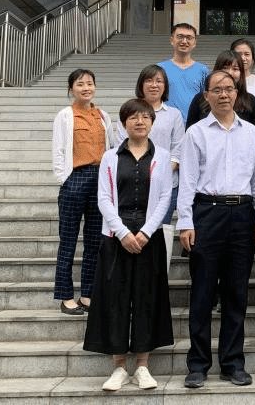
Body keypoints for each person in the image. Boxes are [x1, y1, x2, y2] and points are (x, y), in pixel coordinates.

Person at [176, 70, 255, 389]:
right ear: (207, 96)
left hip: (242, 214)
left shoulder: (252, 134)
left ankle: (232, 363)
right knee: (202, 293)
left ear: (237, 93)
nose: (224, 94)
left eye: (229, 89)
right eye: (217, 90)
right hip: (207, 213)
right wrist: (185, 221)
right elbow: (187, 181)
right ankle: (198, 364)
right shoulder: (196, 133)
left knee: (236, 293)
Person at [83, 99, 173, 392]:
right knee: (115, 300)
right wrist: (122, 232)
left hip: (149, 238)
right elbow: (103, 198)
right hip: (116, 239)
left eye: (145, 117)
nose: (139, 122)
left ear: (152, 122)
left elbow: (164, 198)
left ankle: (143, 366)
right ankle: (119, 366)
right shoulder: (110, 157)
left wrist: (146, 231)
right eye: (133, 117)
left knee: (147, 299)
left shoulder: (162, 156)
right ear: (124, 123)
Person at [51, 68, 116, 315]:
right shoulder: (65, 116)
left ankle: (87, 294)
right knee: (68, 240)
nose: (86, 88)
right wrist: (65, 179)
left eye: (89, 83)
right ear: (72, 89)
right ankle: (66, 297)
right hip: (75, 179)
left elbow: (111, 148)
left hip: (100, 180)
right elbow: (58, 149)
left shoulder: (103, 116)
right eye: (80, 84)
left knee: (94, 241)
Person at [127, 65, 185, 270]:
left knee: (159, 233)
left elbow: (178, 149)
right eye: (149, 80)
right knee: (135, 234)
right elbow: (121, 145)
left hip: (166, 186)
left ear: (165, 86)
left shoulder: (174, 115)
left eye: (159, 81)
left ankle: (159, 277)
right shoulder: (130, 112)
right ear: (141, 85)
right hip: (134, 184)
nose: (154, 85)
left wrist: (161, 174)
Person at [185, 50, 255, 130]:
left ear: (241, 73)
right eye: (225, 68)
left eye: (235, 69)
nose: (230, 73)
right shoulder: (200, 99)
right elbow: (190, 130)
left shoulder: (251, 101)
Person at [158, 23, 210, 114]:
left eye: (189, 38)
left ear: (195, 42)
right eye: (180, 37)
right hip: (167, 120)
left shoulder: (203, 70)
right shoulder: (160, 68)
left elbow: (207, 99)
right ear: (171, 40)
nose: (184, 41)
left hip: (193, 120)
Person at [231, 38, 255, 122]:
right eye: (239, 54)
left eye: (247, 54)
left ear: (252, 58)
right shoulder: (227, 81)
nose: (243, 58)